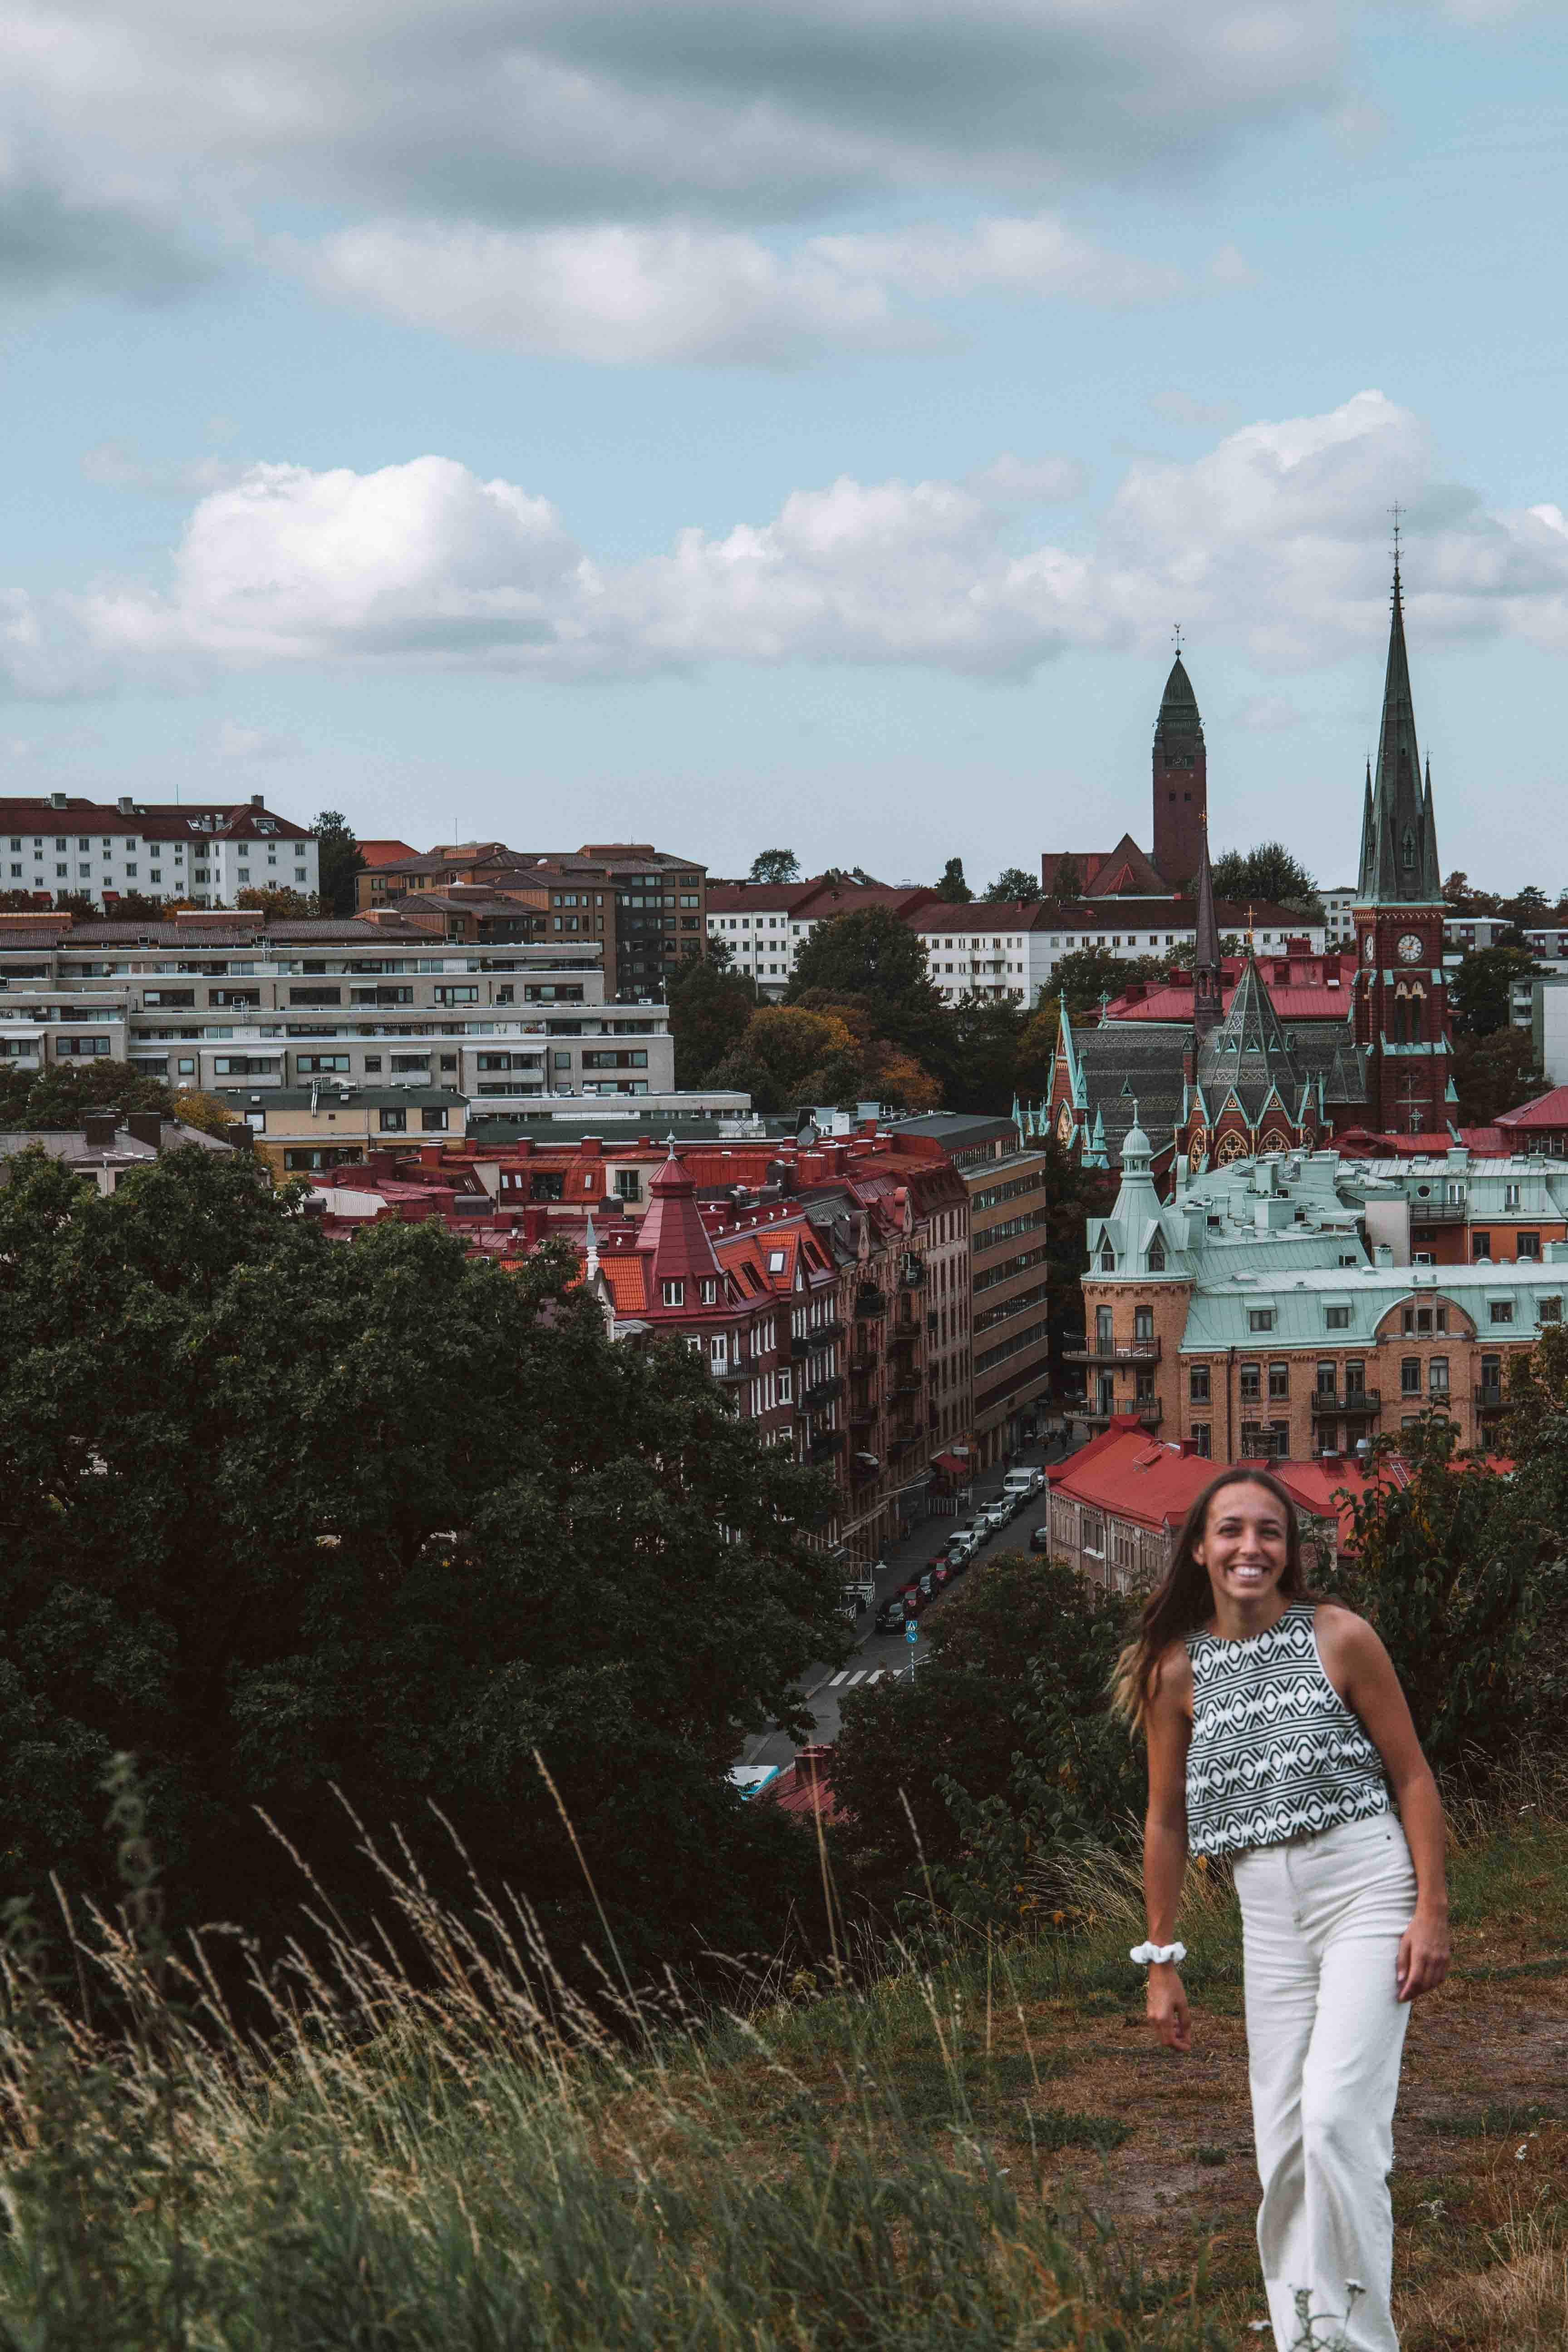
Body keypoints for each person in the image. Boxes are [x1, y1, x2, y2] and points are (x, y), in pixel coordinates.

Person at [1113, 1467, 1450, 2352]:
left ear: (1291, 1552)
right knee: (1287, 2149)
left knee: (1340, 2122)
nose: (1249, 1547)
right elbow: (1165, 1819)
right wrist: (1163, 1961)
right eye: (1231, 1530)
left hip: (1367, 1888)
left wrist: (1433, 1912)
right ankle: (1308, 2339)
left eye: (1269, 1531)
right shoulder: (1175, 1672)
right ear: (1199, 1547)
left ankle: (1367, 2344)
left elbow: (1413, 1776)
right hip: (1265, 1914)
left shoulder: (1340, 1639)